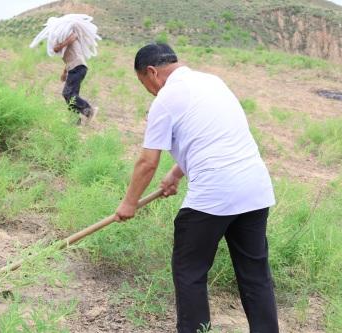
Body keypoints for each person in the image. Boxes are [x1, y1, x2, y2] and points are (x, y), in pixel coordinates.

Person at [114, 43, 279, 333]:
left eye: (145, 84)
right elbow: (215, 133)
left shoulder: (165, 99)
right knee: (255, 276)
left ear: (152, 72)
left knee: (190, 272)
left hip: (214, 194)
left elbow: (146, 162)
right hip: (255, 189)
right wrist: (177, 172)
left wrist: (129, 202)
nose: (150, 91)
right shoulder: (213, 81)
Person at [53, 31, 97, 124]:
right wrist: (64, 72)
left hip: (78, 67)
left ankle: (89, 110)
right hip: (75, 68)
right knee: (69, 94)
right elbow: (70, 59)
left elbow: (73, 36)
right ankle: (75, 120)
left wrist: (60, 46)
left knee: (68, 93)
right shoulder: (65, 42)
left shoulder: (70, 35)